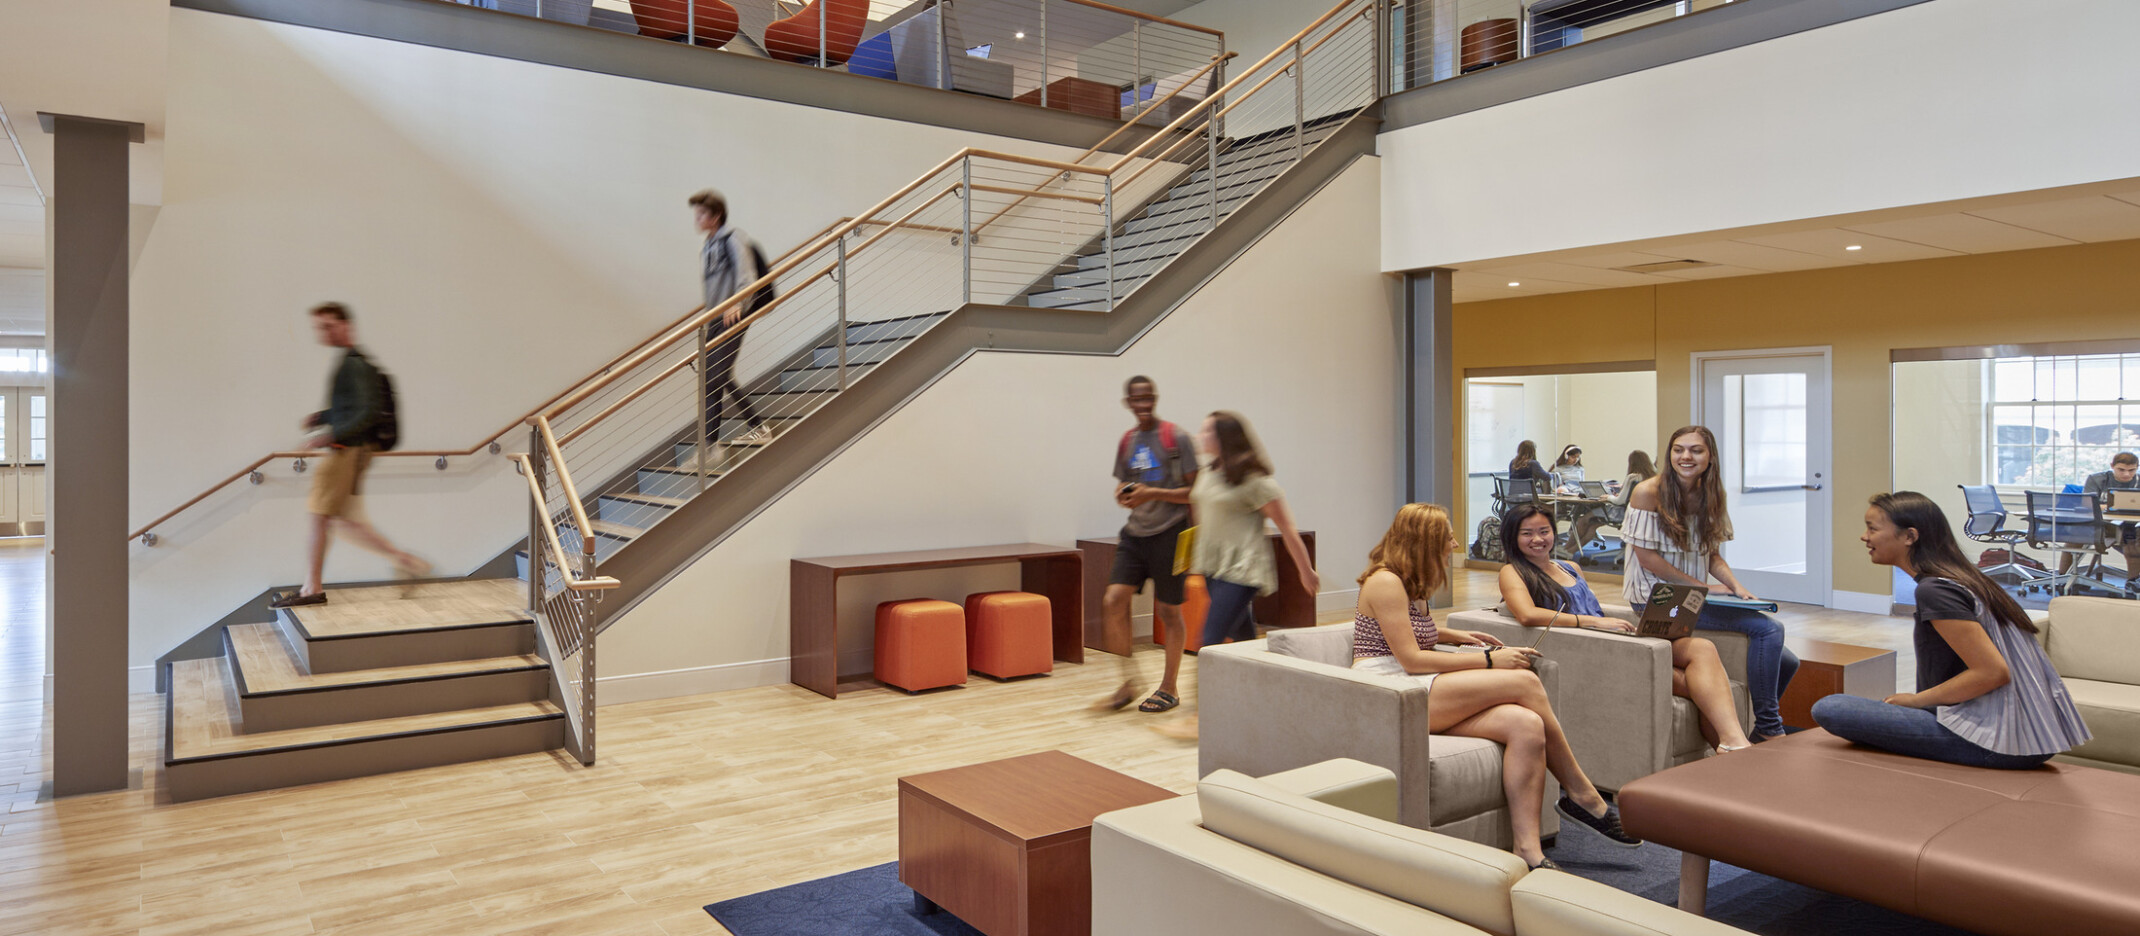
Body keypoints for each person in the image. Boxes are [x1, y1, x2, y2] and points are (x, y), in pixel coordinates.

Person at [1355, 504, 1641, 870]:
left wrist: (1453, 634)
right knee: (1523, 679)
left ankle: (1528, 851)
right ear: (1424, 541)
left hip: (1415, 682)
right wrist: (1489, 659)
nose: (1455, 544)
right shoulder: (1386, 581)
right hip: (1389, 691)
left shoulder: (1412, 583)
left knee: (1527, 725)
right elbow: (1411, 659)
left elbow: (1403, 631)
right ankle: (1582, 793)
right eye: (1448, 537)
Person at [1813, 491, 2090, 768]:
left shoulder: (1935, 590)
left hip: (1998, 741)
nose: (1865, 537)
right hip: (2027, 734)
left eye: (1872, 528)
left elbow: (1993, 672)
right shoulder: (1963, 577)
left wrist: (1916, 700)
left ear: (1910, 536)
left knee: (1831, 708)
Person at [1496, 503, 1753, 752]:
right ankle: (1733, 748)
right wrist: (1593, 621)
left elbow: (1589, 604)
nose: (1538, 539)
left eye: (1544, 531)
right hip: (1592, 648)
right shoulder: (1512, 571)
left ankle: (1733, 743)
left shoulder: (1570, 567)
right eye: (1527, 533)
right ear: (1513, 537)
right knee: (1705, 687)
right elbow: (1528, 615)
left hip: (1614, 637)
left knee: (1702, 647)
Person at [1622, 426, 1799, 741]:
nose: (1686, 456)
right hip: (1657, 600)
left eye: (1696, 450)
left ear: (1710, 456)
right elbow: (1648, 559)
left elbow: (1712, 554)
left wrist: (1736, 587)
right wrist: (1701, 588)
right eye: (1678, 449)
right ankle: (1770, 728)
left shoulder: (1711, 495)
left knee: (1788, 660)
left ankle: (1759, 724)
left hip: (1690, 597)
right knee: (1770, 630)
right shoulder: (1648, 492)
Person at [271, 303, 429, 609]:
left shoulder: (355, 365)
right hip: (350, 450)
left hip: (346, 451)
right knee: (345, 522)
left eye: (329, 326)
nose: (324, 333)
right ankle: (407, 562)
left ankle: (310, 589)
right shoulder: (350, 362)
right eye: (320, 327)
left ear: (346, 326)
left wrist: (331, 435)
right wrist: (322, 417)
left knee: (319, 516)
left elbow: (367, 412)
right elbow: (353, 408)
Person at [1102, 376, 1197, 714]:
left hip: (1171, 532)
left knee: (1169, 611)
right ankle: (1129, 681)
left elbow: (1194, 492)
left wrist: (1153, 493)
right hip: (1135, 533)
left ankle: (1169, 688)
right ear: (1128, 403)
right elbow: (1125, 482)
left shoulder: (1177, 438)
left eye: (1148, 398)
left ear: (1155, 398)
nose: (1142, 405)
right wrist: (1123, 493)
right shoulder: (1128, 441)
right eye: (1136, 400)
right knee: (1113, 599)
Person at [1191, 411, 1316, 649]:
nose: (1200, 435)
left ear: (1224, 438)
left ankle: (1206, 687)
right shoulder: (1207, 473)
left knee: (1209, 640)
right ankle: (1261, 677)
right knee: (1241, 634)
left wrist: (1306, 570)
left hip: (1242, 567)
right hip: (1212, 564)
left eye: (1207, 431)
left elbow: (1287, 528)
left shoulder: (1254, 480)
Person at [691, 189, 774, 452]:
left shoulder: (732, 238)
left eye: (702, 214)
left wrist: (736, 304)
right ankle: (710, 447)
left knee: (720, 374)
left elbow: (746, 275)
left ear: (715, 217)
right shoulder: (708, 246)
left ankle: (758, 427)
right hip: (715, 319)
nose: (697, 218)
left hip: (734, 315)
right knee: (710, 379)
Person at [2080, 451, 2140, 581]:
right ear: (2112, 466)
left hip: (2130, 525)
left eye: (2131, 470)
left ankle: (2133, 584)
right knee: (2074, 538)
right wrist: (2110, 506)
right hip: (2101, 525)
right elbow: (2087, 503)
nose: (2126, 474)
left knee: (2133, 543)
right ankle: (2063, 579)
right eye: (2121, 469)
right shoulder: (2097, 479)